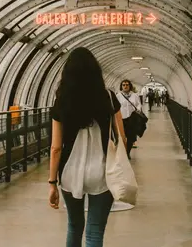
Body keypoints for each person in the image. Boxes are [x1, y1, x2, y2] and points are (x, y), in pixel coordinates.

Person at [48, 47, 127, 247]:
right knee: (94, 233)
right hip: (102, 171)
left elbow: (56, 148)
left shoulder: (62, 100)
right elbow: (122, 137)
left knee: (74, 227)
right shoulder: (108, 97)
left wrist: (51, 183)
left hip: (70, 172)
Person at [116, 80, 143, 159]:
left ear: (130, 86)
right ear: (121, 86)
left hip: (132, 119)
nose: (125, 86)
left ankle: (127, 152)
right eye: (123, 85)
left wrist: (138, 109)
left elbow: (138, 104)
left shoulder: (135, 95)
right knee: (122, 137)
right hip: (122, 119)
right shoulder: (118, 96)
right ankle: (122, 152)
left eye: (127, 85)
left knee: (131, 137)